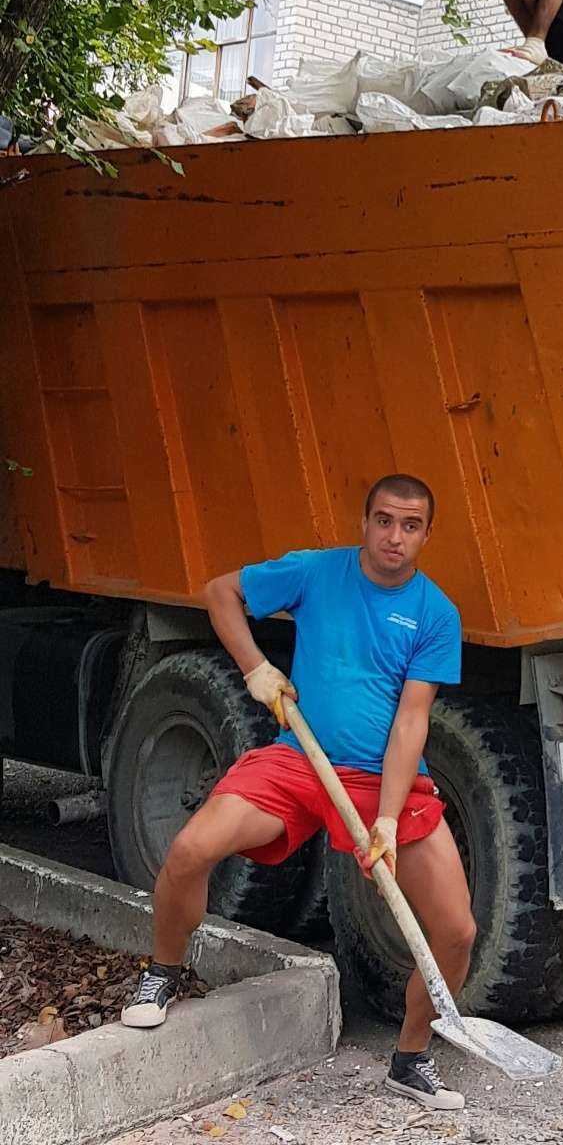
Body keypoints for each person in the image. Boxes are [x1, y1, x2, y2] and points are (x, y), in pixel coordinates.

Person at [121, 475, 473, 1113]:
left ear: (427, 534)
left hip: (381, 781)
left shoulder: (434, 614)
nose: (395, 537)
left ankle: (411, 1057)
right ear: (364, 522)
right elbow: (220, 592)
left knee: (456, 932)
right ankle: (163, 972)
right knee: (191, 848)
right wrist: (256, 667)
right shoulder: (315, 573)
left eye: (411, 526)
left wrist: (388, 821)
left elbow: (410, 722)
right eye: (385, 521)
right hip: (299, 762)